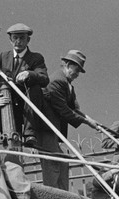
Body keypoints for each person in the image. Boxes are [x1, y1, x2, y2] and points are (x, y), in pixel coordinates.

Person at [39, 50, 100, 190]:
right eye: (76, 69)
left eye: (79, 70)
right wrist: (87, 122)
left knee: (62, 162)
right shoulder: (57, 81)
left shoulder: (67, 83)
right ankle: (53, 196)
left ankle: (63, 196)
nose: (77, 74)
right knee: (53, 163)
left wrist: (88, 118)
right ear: (66, 64)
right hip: (47, 129)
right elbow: (65, 110)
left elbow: (73, 107)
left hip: (53, 131)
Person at [0, 23, 48, 147]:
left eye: (22, 38)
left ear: (28, 40)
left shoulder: (35, 58)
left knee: (36, 88)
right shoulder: (3, 57)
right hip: (9, 105)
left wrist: (29, 73)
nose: (18, 41)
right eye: (14, 38)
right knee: (12, 146)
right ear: (10, 39)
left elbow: (44, 78)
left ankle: (29, 134)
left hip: (28, 106)